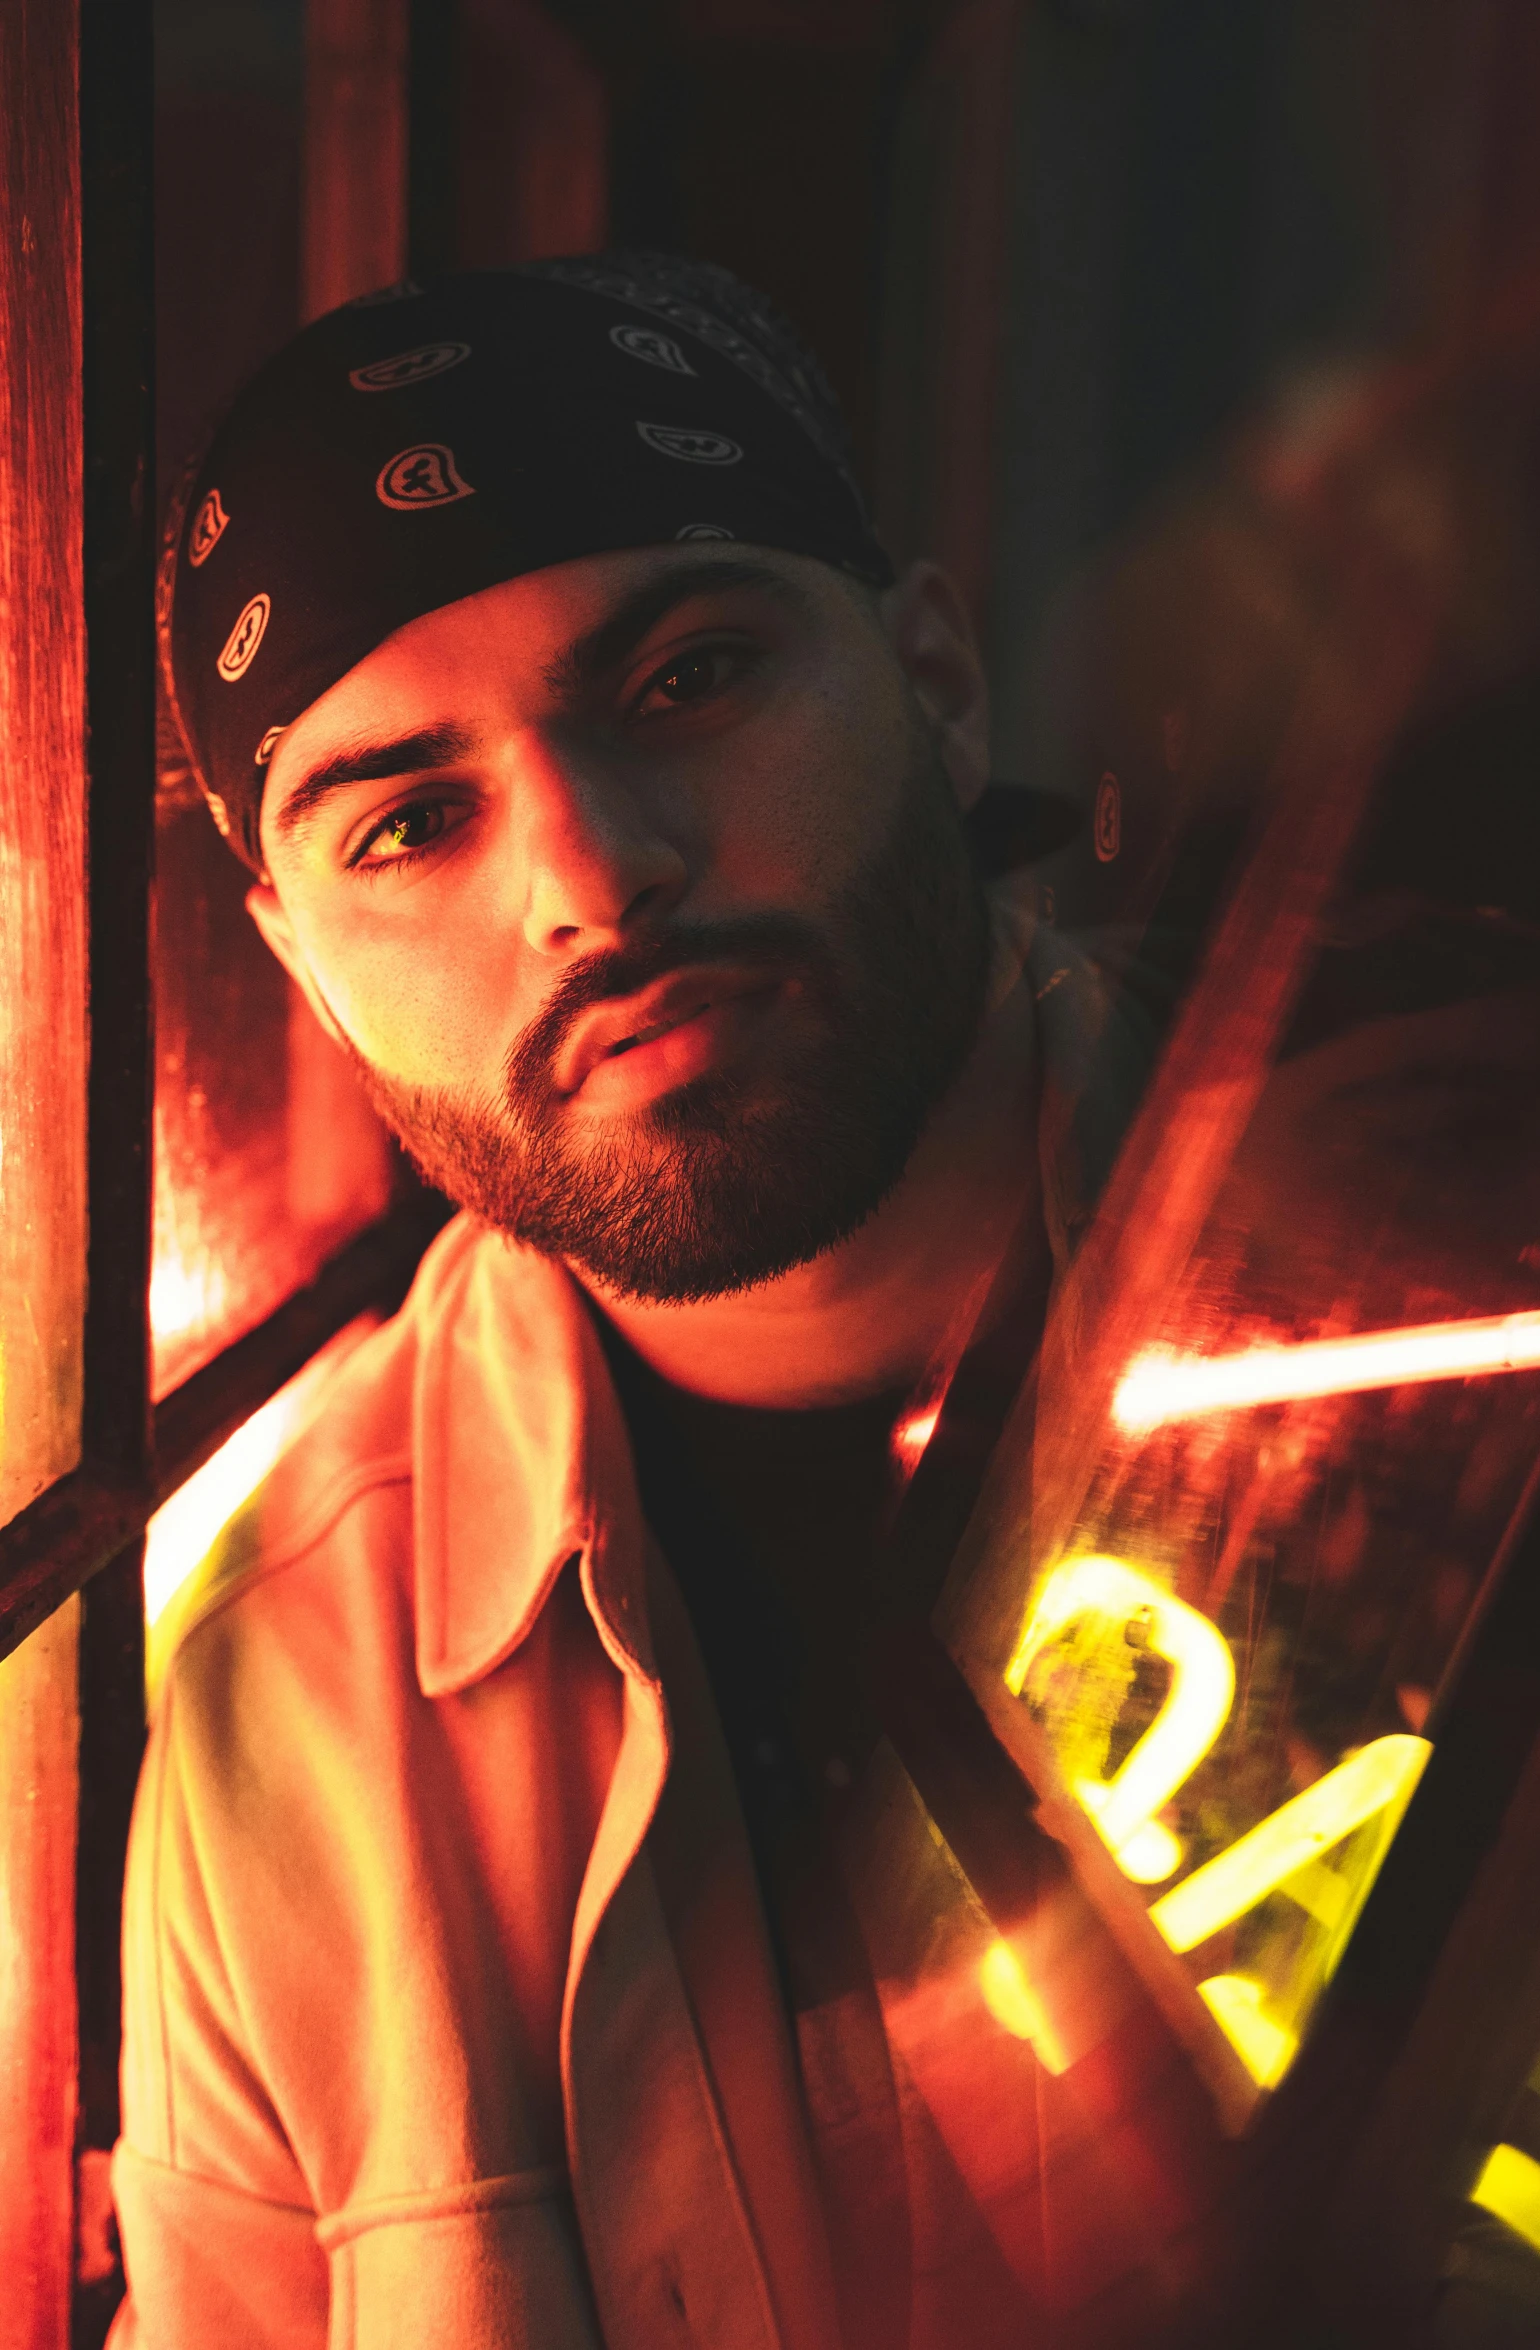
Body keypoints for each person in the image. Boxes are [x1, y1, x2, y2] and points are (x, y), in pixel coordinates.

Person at [116, 253, 1150, 2350]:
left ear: (938, 681)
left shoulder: (1435, 1260)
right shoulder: (297, 1695)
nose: (590, 872)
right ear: (302, 961)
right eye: (411, 820)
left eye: (688, 678)